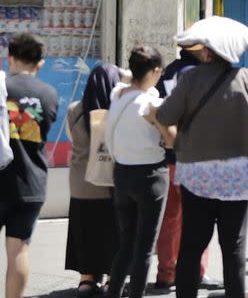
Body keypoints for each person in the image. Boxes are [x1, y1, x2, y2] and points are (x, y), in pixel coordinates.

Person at [146, 17, 248, 298]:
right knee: (234, 247)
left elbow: (164, 116)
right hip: (237, 175)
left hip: (195, 173)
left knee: (191, 245)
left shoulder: (191, 79)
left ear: (209, 51)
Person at [104, 46, 173, 298]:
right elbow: (172, 139)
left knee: (126, 244)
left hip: (121, 174)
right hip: (150, 178)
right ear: (155, 71)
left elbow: (125, 76)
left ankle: (112, 294)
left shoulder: (118, 95)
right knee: (144, 247)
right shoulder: (152, 104)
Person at [152, 45, 220, 292]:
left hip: (168, 155)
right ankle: (197, 272)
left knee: (170, 219)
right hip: (196, 157)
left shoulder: (169, 72)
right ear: (200, 49)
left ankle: (166, 272)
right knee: (199, 220)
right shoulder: (200, 74)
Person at [0, 33, 58, 298]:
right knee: (19, 250)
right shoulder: (48, 94)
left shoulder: (3, 88)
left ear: (9, 57)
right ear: (40, 64)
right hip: (30, 183)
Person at [65, 64, 123, 297]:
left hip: (82, 181)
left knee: (84, 227)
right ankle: (113, 279)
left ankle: (86, 280)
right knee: (115, 230)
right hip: (112, 180)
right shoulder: (119, 111)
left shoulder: (74, 110)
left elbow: (73, 140)